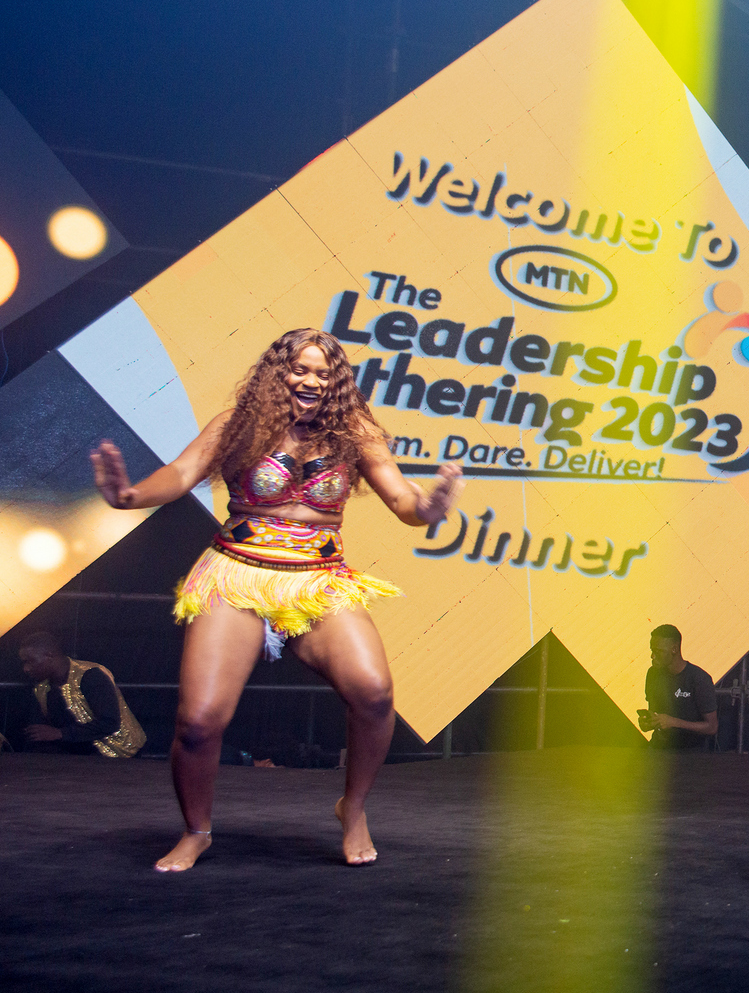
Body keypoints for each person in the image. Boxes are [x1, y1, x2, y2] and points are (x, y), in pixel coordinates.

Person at [90, 327, 463, 872]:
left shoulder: (354, 432)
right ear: (278, 374)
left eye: (323, 373)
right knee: (199, 721)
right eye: (300, 369)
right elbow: (181, 474)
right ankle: (196, 831)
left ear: (337, 383)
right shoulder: (238, 425)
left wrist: (429, 508)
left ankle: (353, 808)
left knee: (374, 692)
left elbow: (403, 499)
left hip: (317, 579)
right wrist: (129, 496)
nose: (311, 381)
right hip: (238, 574)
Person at [18, 630, 146, 757]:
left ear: (49, 656)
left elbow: (109, 723)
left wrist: (61, 733)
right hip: (80, 753)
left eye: (30, 661)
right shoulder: (41, 688)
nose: (26, 669)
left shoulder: (91, 675)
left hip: (119, 753)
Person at [638, 624, 718, 749]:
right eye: (652, 650)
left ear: (674, 649)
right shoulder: (653, 674)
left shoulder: (699, 678)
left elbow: (712, 727)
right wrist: (649, 722)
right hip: (661, 746)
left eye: (658, 651)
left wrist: (674, 722)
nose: (652, 656)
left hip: (692, 751)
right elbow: (654, 711)